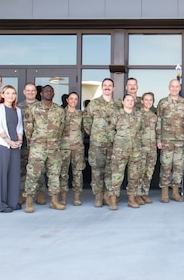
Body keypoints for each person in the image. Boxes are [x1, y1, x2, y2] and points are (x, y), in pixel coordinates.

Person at [23, 85, 65, 212]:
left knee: (54, 174)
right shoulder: (33, 108)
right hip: (38, 147)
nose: (49, 93)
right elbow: (28, 128)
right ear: (41, 94)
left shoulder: (59, 110)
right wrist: (34, 142)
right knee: (33, 174)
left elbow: (61, 128)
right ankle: (29, 202)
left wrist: (54, 141)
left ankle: (54, 201)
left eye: (51, 91)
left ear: (54, 94)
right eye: (46, 91)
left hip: (54, 147)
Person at [83, 78, 121, 207]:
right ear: (102, 87)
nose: (107, 87)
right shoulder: (93, 104)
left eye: (110, 85)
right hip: (97, 144)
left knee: (111, 171)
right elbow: (87, 122)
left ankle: (108, 196)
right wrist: (95, 134)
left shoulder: (118, 105)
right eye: (105, 85)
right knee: (97, 171)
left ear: (113, 88)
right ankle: (98, 196)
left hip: (112, 143)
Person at [155, 78, 184, 203]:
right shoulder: (163, 102)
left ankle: (175, 192)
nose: (174, 89)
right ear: (169, 88)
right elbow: (159, 121)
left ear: (179, 88)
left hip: (180, 141)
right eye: (172, 86)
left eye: (177, 86)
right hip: (166, 140)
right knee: (166, 166)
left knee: (178, 167)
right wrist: (158, 139)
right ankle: (164, 192)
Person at [0, 85, 23, 213]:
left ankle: (12, 202)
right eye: (8, 93)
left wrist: (19, 141)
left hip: (15, 144)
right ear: (2, 95)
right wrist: (8, 141)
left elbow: (19, 127)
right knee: (1, 174)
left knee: (14, 174)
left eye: (13, 93)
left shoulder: (18, 110)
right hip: (3, 144)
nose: (11, 96)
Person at [108, 94, 142, 210]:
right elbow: (110, 130)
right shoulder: (117, 114)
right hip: (120, 150)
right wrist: (117, 142)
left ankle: (131, 199)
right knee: (117, 175)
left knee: (134, 175)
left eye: (132, 100)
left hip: (135, 150)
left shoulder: (138, 115)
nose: (130, 102)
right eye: (127, 100)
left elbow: (141, 131)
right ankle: (113, 199)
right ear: (123, 102)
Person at [60, 92, 85, 206]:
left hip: (77, 148)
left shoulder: (81, 114)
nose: (73, 101)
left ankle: (77, 196)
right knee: (63, 173)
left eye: (76, 99)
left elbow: (85, 129)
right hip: (63, 147)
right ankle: (63, 197)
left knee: (78, 172)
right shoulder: (61, 113)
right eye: (71, 99)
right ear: (67, 100)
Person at [17, 83, 39, 205]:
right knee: (23, 169)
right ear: (24, 92)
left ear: (36, 92)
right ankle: (22, 194)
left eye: (33, 90)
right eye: (28, 90)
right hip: (24, 144)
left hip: (37, 145)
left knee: (38, 170)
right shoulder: (18, 108)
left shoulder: (41, 106)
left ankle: (39, 193)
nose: (30, 92)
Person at [138, 92, 158, 204]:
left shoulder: (154, 116)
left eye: (151, 100)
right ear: (142, 101)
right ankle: (137, 194)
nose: (148, 102)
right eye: (146, 100)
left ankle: (144, 193)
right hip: (141, 148)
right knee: (139, 172)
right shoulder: (137, 115)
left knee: (149, 172)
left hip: (152, 148)